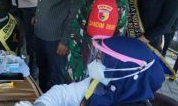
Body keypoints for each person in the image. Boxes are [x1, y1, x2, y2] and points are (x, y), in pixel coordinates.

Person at [15, 37, 167, 106]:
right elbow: (63, 93)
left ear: (121, 72)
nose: (95, 63)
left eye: (102, 60)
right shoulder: (100, 84)